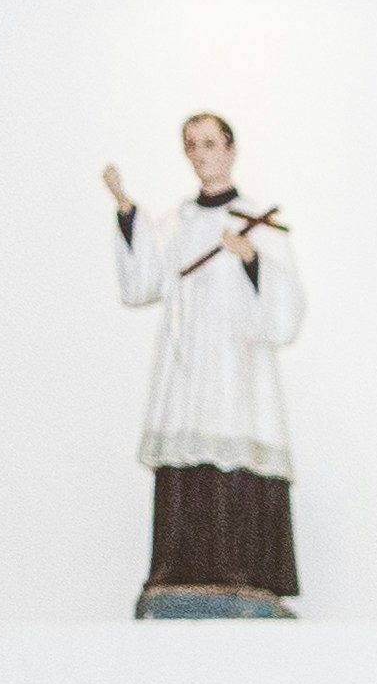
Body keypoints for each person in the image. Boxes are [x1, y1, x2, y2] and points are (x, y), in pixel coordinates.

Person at [104, 113, 308, 619]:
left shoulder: (258, 221)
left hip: (238, 374)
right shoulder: (177, 223)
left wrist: (251, 262)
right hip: (189, 369)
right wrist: (128, 211)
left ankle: (241, 571)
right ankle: (181, 568)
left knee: (232, 451)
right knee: (189, 452)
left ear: (231, 152)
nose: (201, 155)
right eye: (191, 146)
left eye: (210, 144)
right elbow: (142, 283)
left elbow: (285, 313)